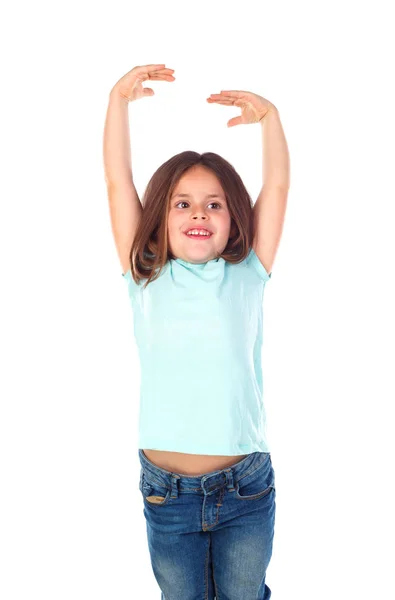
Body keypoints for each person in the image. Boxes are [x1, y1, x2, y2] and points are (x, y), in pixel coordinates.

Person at [103, 63, 290, 600]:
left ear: (236, 219)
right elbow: (118, 181)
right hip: (168, 493)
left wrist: (271, 120)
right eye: (182, 204)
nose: (198, 213)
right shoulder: (146, 275)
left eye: (215, 204)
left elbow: (276, 185)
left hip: (246, 487)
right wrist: (118, 102)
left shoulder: (248, 272)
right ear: (159, 217)